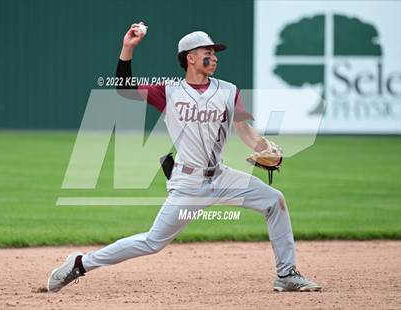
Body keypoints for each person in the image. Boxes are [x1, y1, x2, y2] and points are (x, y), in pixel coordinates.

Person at [47, 22, 321, 293]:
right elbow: (123, 86)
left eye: (215, 53)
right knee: (153, 242)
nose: (213, 57)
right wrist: (127, 48)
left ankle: (286, 275)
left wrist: (263, 147)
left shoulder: (229, 90)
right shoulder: (168, 91)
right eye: (207, 52)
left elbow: (244, 130)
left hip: (222, 175)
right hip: (188, 183)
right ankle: (81, 263)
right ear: (190, 58)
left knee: (275, 200)